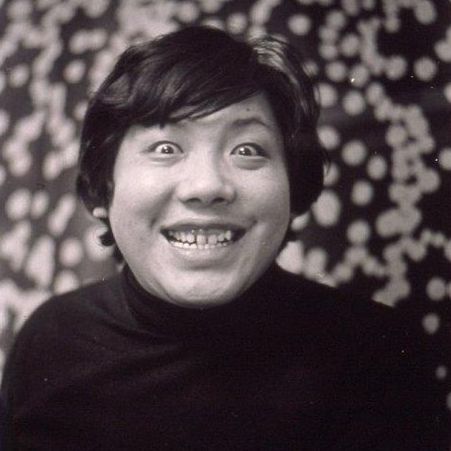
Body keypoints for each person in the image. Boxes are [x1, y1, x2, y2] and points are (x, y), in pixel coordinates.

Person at [1, 25, 448, 450]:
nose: (207, 186)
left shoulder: (377, 355)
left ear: (294, 192)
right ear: (102, 191)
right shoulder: (51, 341)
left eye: (247, 150)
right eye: (165, 148)